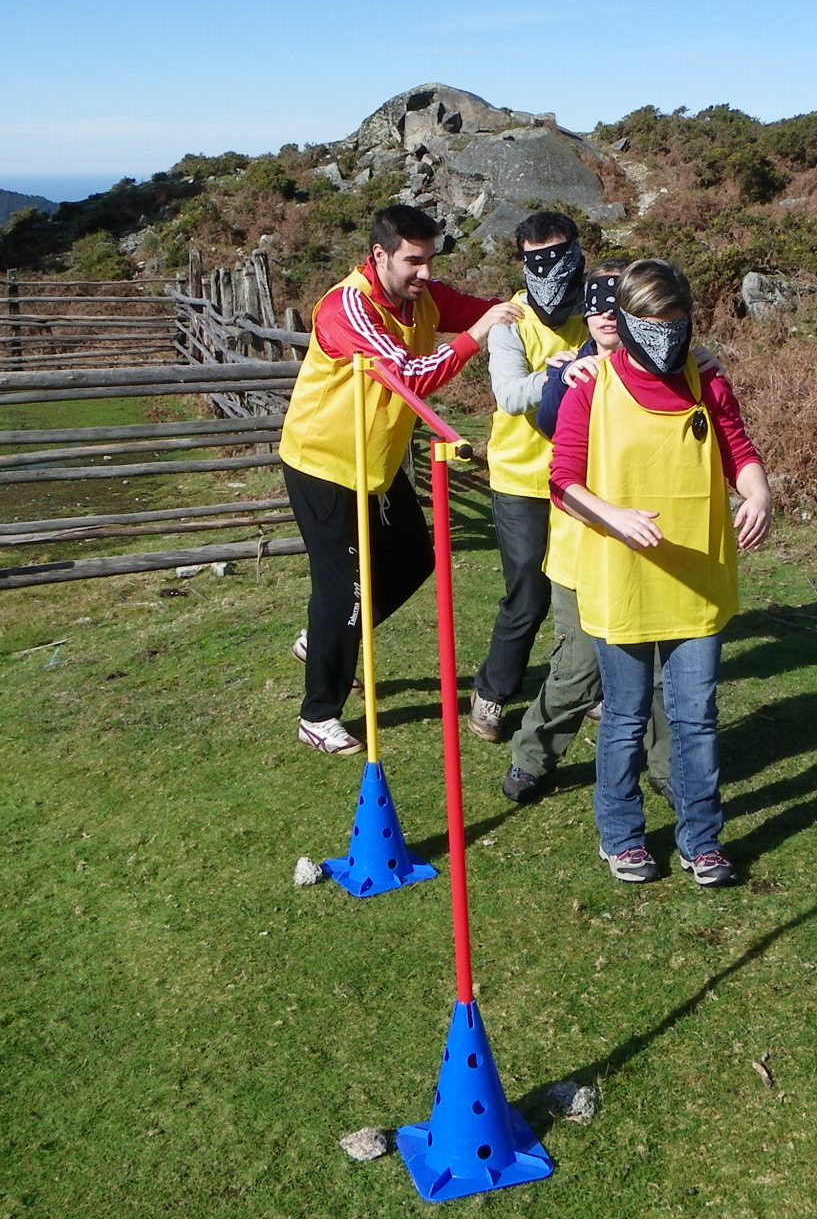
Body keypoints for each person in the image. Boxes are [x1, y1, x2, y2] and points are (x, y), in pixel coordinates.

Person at [550, 259, 773, 886]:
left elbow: (739, 451)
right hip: (622, 577)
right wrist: (615, 517)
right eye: (649, 323)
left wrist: (758, 495)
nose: (664, 336)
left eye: (676, 323)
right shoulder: (590, 386)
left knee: (696, 714)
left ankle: (702, 839)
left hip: (698, 575)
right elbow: (563, 479)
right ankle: (620, 835)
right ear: (623, 321)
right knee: (624, 715)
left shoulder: (708, 381)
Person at [277, 204, 521, 754]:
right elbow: (409, 375)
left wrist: (527, 310)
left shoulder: (423, 298)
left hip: (379, 463)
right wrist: (476, 336)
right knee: (347, 590)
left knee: (415, 558)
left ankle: (323, 641)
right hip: (324, 464)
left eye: (431, 260)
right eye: (414, 261)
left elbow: (491, 309)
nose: (426, 274)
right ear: (379, 254)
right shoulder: (348, 307)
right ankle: (318, 714)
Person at [499, 263, 672, 805]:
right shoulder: (570, 373)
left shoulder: (666, 366)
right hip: (582, 546)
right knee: (580, 666)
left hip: (652, 539)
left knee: (662, 666)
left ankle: (668, 767)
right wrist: (564, 375)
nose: (603, 318)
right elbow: (551, 426)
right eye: (593, 307)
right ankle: (532, 756)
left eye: (613, 307)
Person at [469, 211, 589, 746]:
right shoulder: (511, 321)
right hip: (520, 478)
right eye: (535, 258)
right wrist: (564, 373)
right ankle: (492, 692)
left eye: (559, 254)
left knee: (583, 591)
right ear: (522, 259)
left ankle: (583, 688)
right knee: (528, 596)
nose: (550, 269)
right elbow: (511, 396)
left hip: (584, 478)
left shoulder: (597, 308)